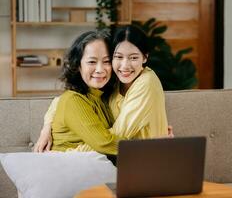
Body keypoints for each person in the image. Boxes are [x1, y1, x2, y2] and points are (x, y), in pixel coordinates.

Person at [34, 25, 169, 153]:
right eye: (118, 57)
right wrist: (47, 127)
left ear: (145, 57)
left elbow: (109, 141)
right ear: (77, 65)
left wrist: (72, 153)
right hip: (117, 160)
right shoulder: (111, 84)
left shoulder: (141, 82)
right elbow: (63, 101)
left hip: (142, 159)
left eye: (106, 61)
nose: (125, 65)